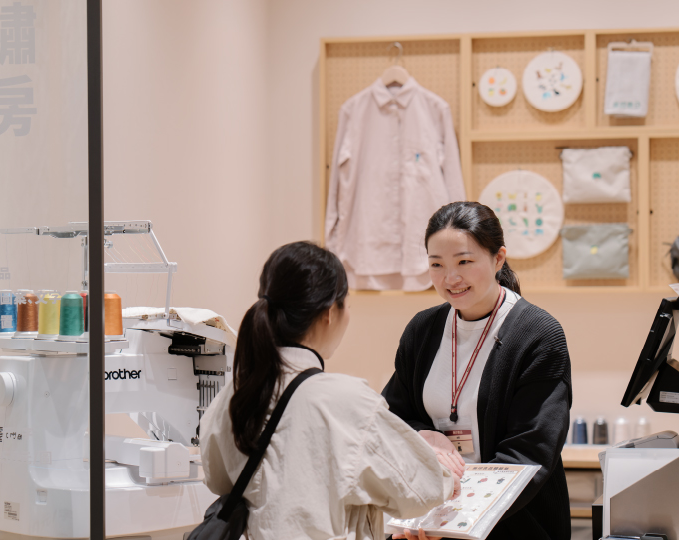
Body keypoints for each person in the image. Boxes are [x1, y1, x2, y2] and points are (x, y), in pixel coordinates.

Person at [201, 241, 456, 540]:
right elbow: (424, 490)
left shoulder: (233, 395)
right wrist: (444, 470)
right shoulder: (346, 401)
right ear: (330, 313)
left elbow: (217, 479)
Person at [383, 202, 572, 540]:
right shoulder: (422, 330)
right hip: (434, 516)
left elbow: (528, 453)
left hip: (513, 524)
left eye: (464, 262)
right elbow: (390, 417)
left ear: (498, 258)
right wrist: (423, 437)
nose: (450, 278)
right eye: (436, 264)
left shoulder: (539, 335)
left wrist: (450, 518)